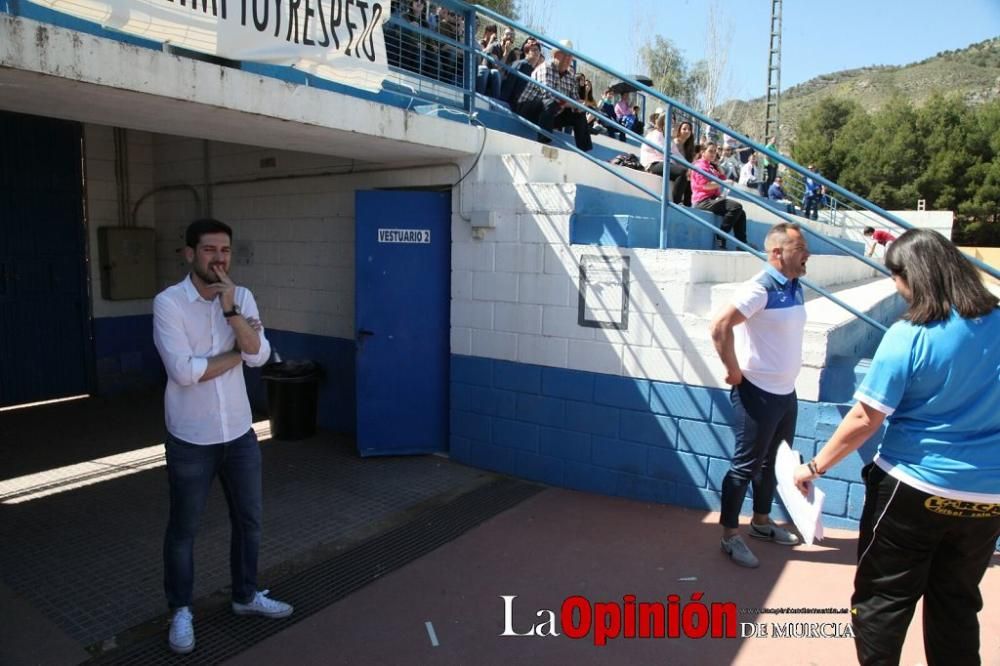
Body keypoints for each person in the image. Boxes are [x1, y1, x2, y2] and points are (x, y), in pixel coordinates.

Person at [793, 228, 1000, 665]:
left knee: (882, 604)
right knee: (957, 603)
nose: (895, 287)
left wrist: (813, 467)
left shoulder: (910, 334)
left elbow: (866, 418)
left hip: (914, 487)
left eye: (895, 277)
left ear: (912, 275)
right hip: (988, 496)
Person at [154, 219, 293, 655]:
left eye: (225, 250)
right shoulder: (169, 303)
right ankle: (180, 611)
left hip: (238, 434)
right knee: (184, 530)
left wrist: (232, 312)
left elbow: (261, 357)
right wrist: (238, 350)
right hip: (191, 439)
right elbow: (183, 372)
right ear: (189, 254)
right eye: (210, 249)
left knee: (249, 521)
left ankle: (245, 596)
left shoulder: (242, 296)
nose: (219, 258)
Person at [710, 223, 811, 568]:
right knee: (744, 467)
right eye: (800, 249)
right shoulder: (760, 287)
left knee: (774, 464)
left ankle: (762, 523)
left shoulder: (796, 286)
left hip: (786, 394)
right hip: (757, 394)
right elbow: (720, 326)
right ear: (777, 253)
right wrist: (734, 371)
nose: (807, 254)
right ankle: (729, 536)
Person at [516, 39, 592, 152]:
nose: (568, 59)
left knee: (579, 115)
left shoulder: (571, 77)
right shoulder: (546, 67)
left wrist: (580, 107)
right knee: (550, 102)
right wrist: (572, 104)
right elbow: (549, 95)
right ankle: (544, 143)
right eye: (565, 55)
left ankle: (586, 152)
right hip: (528, 109)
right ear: (556, 54)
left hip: (550, 113)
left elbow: (575, 102)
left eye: (570, 56)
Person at [690, 142, 748, 249]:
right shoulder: (700, 166)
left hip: (712, 199)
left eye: (715, 152)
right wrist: (723, 183)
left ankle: (742, 244)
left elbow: (722, 178)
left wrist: (718, 166)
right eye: (710, 151)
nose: (713, 154)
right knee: (736, 207)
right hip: (702, 201)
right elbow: (705, 186)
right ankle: (721, 235)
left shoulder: (710, 166)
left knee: (741, 212)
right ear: (703, 152)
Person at [500, 40, 542, 115]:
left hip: (522, 105)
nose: (537, 52)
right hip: (511, 104)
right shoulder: (520, 64)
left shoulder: (535, 71)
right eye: (533, 50)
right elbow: (508, 85)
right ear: (527, 52)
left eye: (538, 50)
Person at [668, 120, 695, 206]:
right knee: (687, 174)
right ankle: (677, 203)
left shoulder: (688, 146)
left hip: (684, 171)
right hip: (674, 169)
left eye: (689, 129)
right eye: (684, 129)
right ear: (679, 130)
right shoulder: (674, 143)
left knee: (692, 177)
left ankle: (688, 205)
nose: (687, 131)